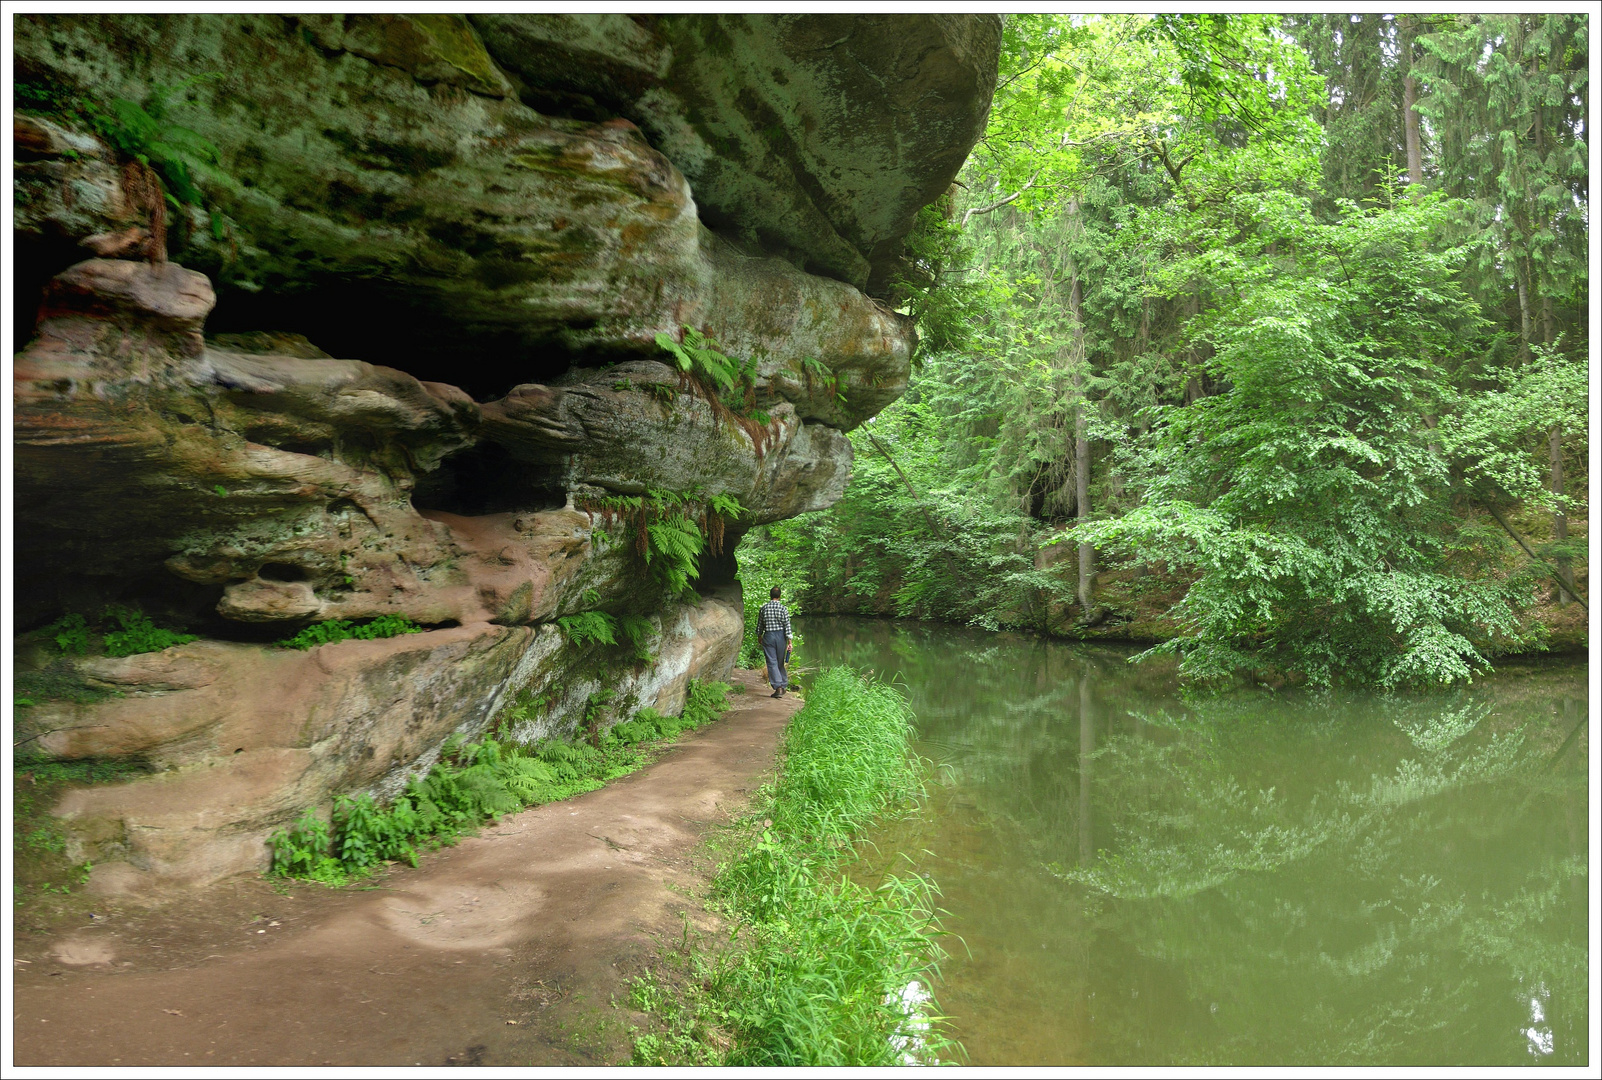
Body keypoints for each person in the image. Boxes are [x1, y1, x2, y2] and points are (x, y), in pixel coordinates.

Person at [756, 585, 793, 698]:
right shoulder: (783, 609)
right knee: (780, 661)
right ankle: (782, 685)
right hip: (781, 636)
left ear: (770, 595)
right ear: (780, 596)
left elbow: (760, 625)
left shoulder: (764, 608)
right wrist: (790, 642)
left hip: (768, 636)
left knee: (772, 662)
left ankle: (778, 687)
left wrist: (759, 636)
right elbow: (787, 626)